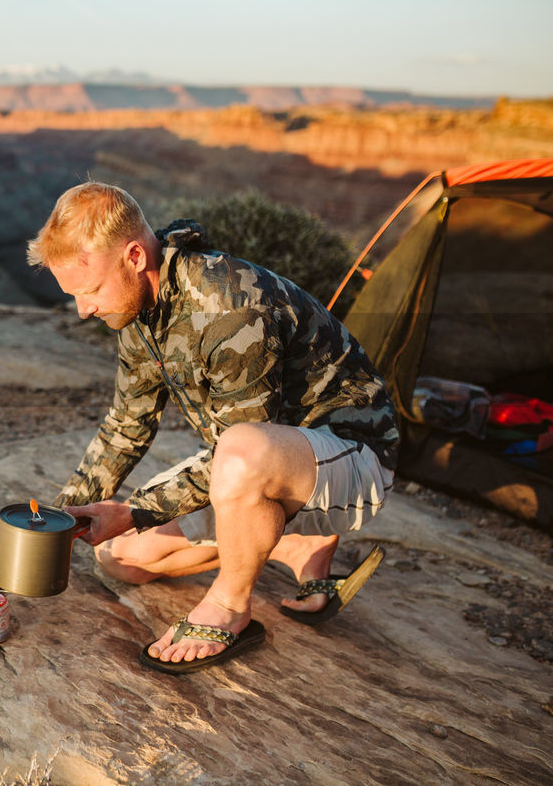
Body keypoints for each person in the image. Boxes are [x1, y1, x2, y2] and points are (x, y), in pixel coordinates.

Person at [27, 181, 399, 674]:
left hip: (350, 458)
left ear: (135, 256)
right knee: (121, 556)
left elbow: (245, 443)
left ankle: (230, 608)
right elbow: (126, 426)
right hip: (259, 469)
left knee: (240, 449)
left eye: (90, 289)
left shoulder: (230, 305)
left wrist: (136, 507)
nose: (84, 308)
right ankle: (292, 542)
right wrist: (48, 528)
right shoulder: (140, 310)